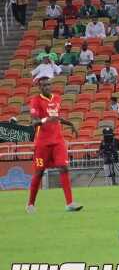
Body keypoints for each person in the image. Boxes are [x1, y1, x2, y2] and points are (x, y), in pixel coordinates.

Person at [26, 77, 81, 213]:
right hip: (42, 143)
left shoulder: (57, 98)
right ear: (40, 87)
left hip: (58, 141)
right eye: (44, 85)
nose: (47, 87)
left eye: (49, 84)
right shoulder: (35, 101)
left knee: (64, 168)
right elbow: (34, 122)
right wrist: (45, 119)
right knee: (39, 172)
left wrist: (70, 124)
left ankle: (70, 203)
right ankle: (30, 204)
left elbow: (56, 117)